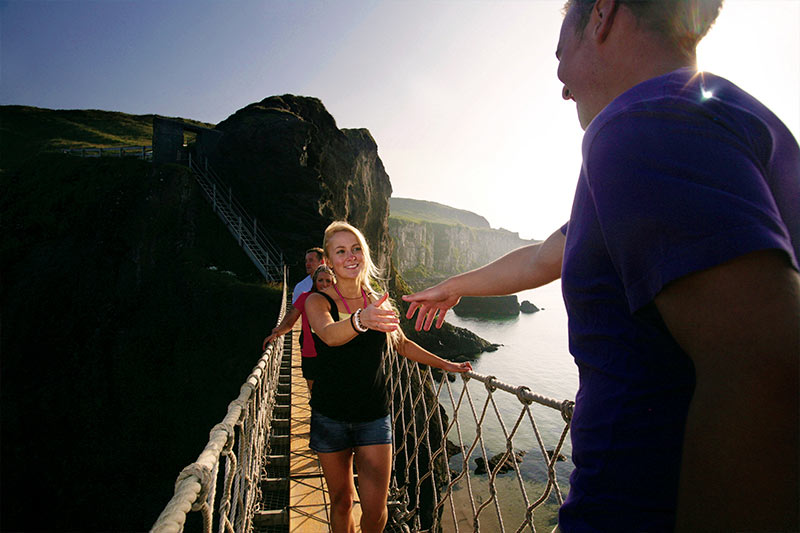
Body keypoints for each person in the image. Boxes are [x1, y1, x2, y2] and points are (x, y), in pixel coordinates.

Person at [403, 1, 800, 531]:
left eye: (559, 52)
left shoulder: (642, 124)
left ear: (602, 15)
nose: (562, 82)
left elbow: (763, 365)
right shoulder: (746, 122)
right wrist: (454, 286)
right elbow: (548, 256)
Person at [304, 221, 472, 533]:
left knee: (376, 507)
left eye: (356, 249)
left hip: (373, 417)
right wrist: (360, 319)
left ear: (365, 254)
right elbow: (328, 334)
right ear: (328, 260)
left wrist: (445, 364)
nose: (350, 256)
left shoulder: (377, 300)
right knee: (341, 500)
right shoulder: (318, 301)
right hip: (330, 416)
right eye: (341, 251)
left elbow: (403, 345)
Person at [263, 264, 335, 389]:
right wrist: (277, 332)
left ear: (333, 282)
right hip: (311, 351)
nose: (324, 284)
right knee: (314, 394)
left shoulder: (338, 300)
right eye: (320, 280)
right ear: (314, 282)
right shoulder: (305, 298)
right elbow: (291, 319)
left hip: (333, 353)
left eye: (328, 281)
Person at [262, 247, 325, 351]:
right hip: (309, 341)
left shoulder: (337, 283)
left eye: (311, 260)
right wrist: (277, 332)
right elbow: (293, 313)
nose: (307, 264)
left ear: (322, 262)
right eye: (306, 261)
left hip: (333, 340)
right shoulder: (301, 287)